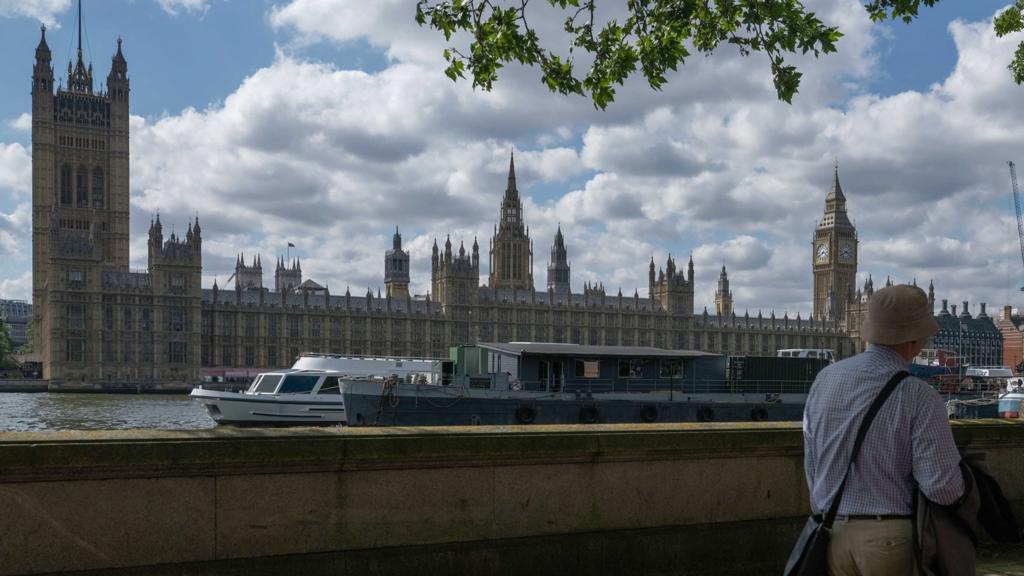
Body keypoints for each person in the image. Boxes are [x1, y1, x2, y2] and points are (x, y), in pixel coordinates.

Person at [803, 284, 965, 575]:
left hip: (831, 534)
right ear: (916, 340)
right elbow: (942, 489)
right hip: (888, 539)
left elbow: (812, 464)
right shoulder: (919, 395)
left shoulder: (823, 380)